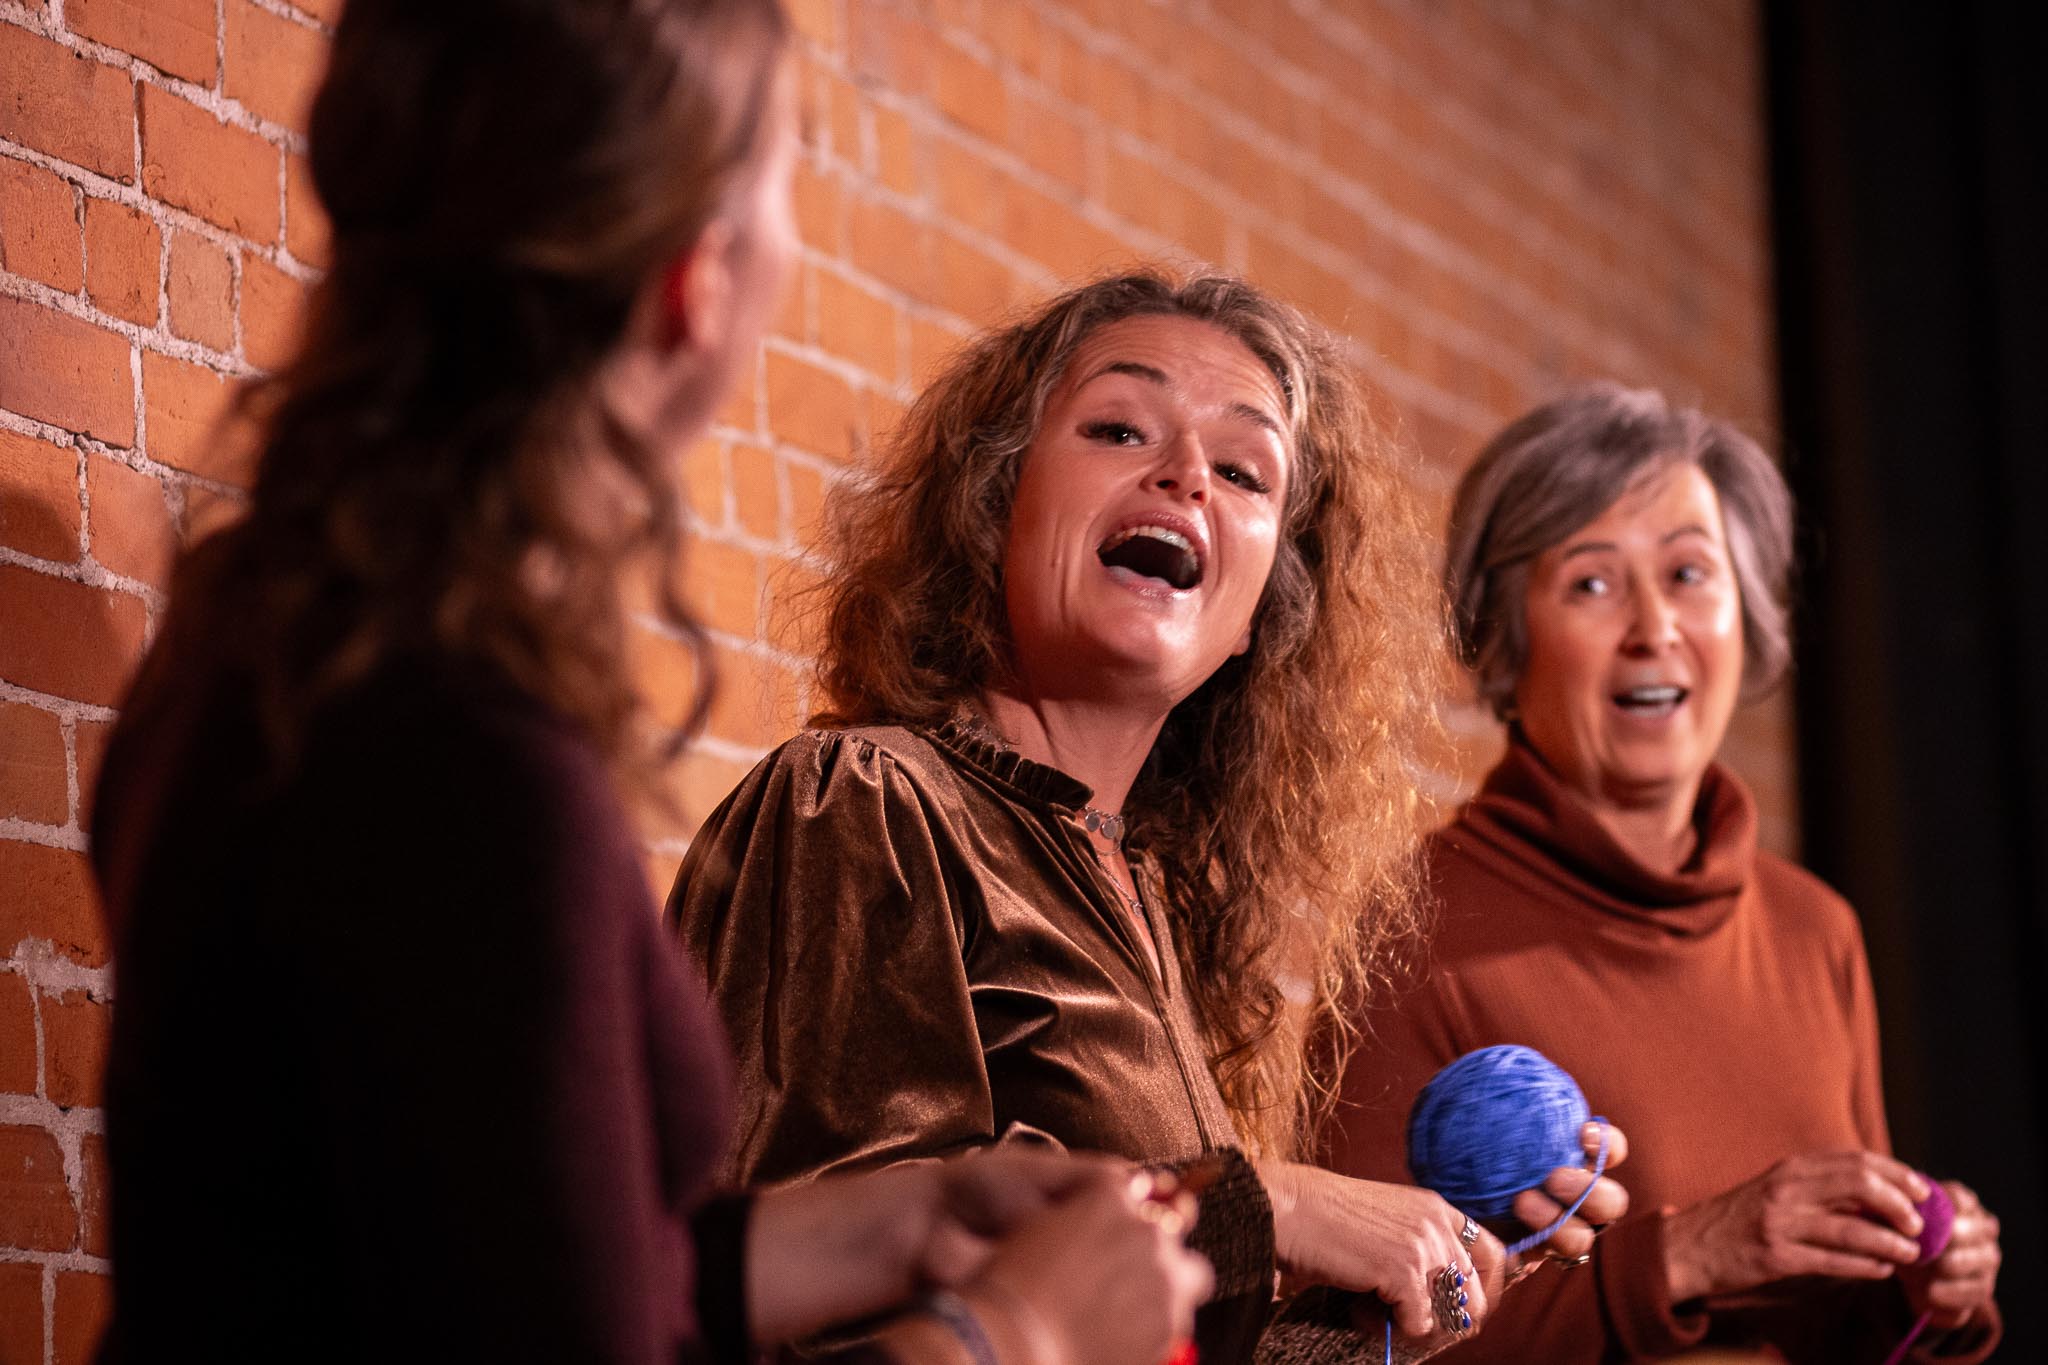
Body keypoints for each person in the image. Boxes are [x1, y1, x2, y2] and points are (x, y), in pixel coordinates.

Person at [86, 2, 1209, 1361]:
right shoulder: (457, 757)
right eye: (787, 176)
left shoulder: (295, 636)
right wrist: (1017, 1331)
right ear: (698, 273)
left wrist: (908, 1225)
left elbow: (544, 1262)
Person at [669, 272, 1630, 1364]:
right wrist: (1265, 1208)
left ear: (1263, 613)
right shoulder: (864, 800)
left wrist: (1391, 1296)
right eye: (1118, 428)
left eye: (1240, 470)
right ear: (993, 505)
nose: (1184, 478)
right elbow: (823, 1284)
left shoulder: (1153, 905)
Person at [1323, 382, 2004, 1362]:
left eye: (1690, 574)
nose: (1654, 628)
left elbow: (1837, 1325)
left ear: (1747, 617)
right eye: (1590, 584)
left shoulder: (1814, 929)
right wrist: (1676, 1260)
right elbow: (1343, 1346)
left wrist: (1921, 1287)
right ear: (1505, 644)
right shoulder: (1408, 933)